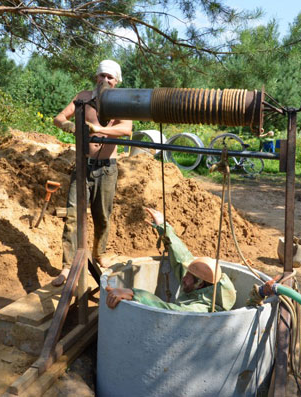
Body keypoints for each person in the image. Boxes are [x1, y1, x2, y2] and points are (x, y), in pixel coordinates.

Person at [52, 60, 133, 286]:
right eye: (102, 76)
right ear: (96, 77)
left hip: (107, 168)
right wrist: (67, 125)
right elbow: (59, 117)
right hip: (83, 165)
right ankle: (68, 267)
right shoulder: (83, 97)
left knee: (102, 215)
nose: (105, 80)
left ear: (117, 81)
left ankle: (100, 253)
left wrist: (99, 129)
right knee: (72, 215)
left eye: (110, 77)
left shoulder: (122, 102)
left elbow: (126, 130)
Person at [105, 208, 237, 312]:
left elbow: (172, 310)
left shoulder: (200, 308)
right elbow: (182, 257)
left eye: (188, 276)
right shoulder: (199, 286)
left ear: (200, 284)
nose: (183, 278)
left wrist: (134, 294)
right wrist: (163, 227)